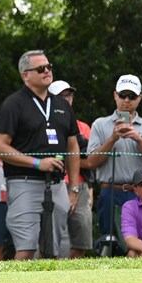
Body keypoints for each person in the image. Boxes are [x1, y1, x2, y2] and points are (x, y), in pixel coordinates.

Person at [0, 50, 81, 260]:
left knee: (53, 250)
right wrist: (36, 163)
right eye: (41, 69)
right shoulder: (13, 104)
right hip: (24, 183)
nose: (47, 71)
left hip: (58, 185)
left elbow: (73, 146)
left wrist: (74, 188)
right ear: (25, 74)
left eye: (49, 67)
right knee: (26, 248)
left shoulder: (61, 105)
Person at [86, 75, 142, 238]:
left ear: (140, 98)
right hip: (110, 192)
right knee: (110, 242)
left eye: (132, 96)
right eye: (123, 95)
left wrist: (138, 139)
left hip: (141, 193)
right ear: (115, 95)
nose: (127, 100)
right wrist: (113, 138)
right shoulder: (100, 124)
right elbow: (91, 162)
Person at [48, 79, 93, 258]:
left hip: (80, 186)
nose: (67, 99)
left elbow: (90, 162)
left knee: (80, 241)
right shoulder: (44, 123)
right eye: (62, 96)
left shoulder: (83, 127)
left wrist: (89, 189)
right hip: (52, 185)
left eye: (69, 95)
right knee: (51, 240)